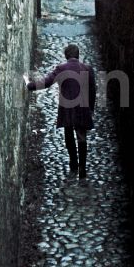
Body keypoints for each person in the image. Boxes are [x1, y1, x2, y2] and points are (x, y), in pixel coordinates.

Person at [25, 43, 96, 178]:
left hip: (67, 107)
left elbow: (46, 82)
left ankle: (73, 163)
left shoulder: (61, 68)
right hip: (82, 107)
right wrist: (91, 108)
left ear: (66, 55)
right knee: (82, 137)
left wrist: (30, 85)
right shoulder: (88, 69)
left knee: (68, 135)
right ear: (78, 55)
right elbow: (92, 90)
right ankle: (82, 168)